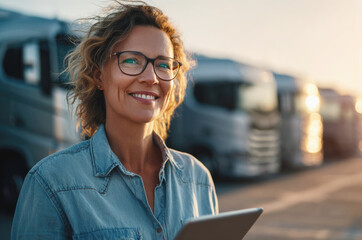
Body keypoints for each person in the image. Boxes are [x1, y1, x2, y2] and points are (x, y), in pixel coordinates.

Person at [11, 1, 219, 239]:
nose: (151, 77)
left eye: (163, 65)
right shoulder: (51, 184)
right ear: (98, 76)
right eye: (131, 60)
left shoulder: (199, 180)